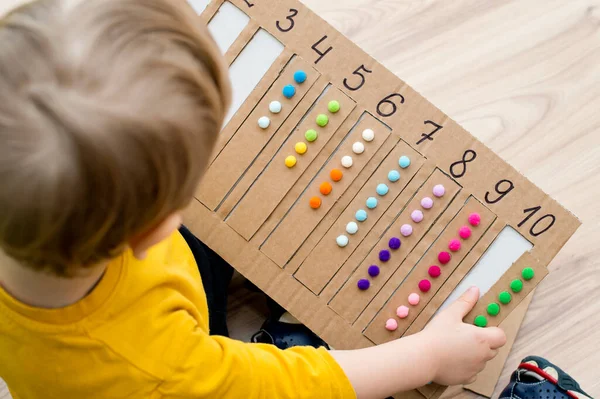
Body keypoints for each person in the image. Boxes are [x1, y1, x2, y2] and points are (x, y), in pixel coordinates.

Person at [0, 1, 507, 398]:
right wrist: (430, 357)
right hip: (179, 367)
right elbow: (297, 386)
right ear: (157, 227)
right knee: (309, 356)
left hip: (127, 292)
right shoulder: (157, 368)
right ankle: (278, 337)